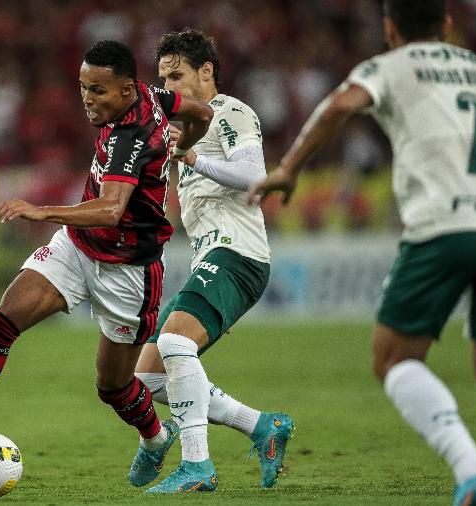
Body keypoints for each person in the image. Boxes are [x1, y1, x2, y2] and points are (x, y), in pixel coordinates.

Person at [248, 1, 476, 505]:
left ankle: (473, 469)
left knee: (394, 359)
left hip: (443, 225)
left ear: (389, 28)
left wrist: (291, 167)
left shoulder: (389, 66)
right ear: (446, 24)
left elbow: (340, 105)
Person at [0, 40, 214, 495]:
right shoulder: (152, 96)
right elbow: (201, 113)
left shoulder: (131, 135)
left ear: (125, 92)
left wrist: (42, 212)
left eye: (98, 91)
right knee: (0, 325)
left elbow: (109, 209)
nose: (87, 99)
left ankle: (157, 437)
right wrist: (184, 149)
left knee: (114, 388)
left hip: (130, 271)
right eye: (84, 87)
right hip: (78, 248)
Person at [128, 29, 293, 494]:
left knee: (177, 345)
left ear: (206, 72)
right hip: (213, 256)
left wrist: (191, 156)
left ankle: (197, 467)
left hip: (238, 254)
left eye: (176, 75)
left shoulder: (229, 111)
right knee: (147, 377)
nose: (168, 86)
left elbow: (253, 176)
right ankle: (262, 426)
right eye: (162, 78)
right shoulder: (179, 127)